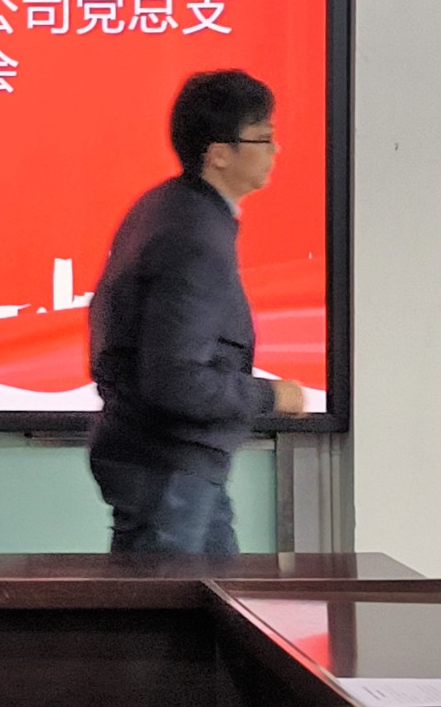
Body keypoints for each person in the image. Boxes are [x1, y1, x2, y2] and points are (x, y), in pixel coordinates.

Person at [87, 69, 307, 555]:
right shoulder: (194, 234)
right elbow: (175, 379)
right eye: (263, 138)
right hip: (168, 466)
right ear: (219, 153)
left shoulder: (168, 207)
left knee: (212, 596)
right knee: (175, 602)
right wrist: (272, 396)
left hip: (169, 462)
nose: (275, 150)